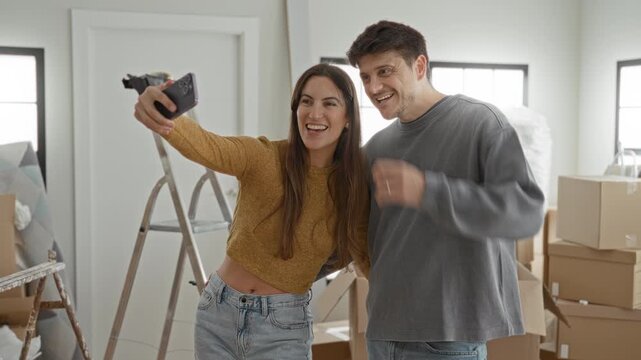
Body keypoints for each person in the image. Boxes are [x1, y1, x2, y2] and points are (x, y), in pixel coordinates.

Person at [133, 63, 370, 359]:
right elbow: (210, 147)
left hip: (282, 329)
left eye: (329, 104)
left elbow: (365, 256)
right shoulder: (264, 157)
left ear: (348, 117)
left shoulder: (352, 190)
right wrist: (164, 116)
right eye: (306, 102)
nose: (314, 113)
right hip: (217, 313)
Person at [346, 21, 545, 359]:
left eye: (384, 71)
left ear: (420, 65)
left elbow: (525, 213)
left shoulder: (482, 124)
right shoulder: (376, 148)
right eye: (365, 77)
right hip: (381, 332)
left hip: (447, 339)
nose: (374, 86)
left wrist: (427, 190)